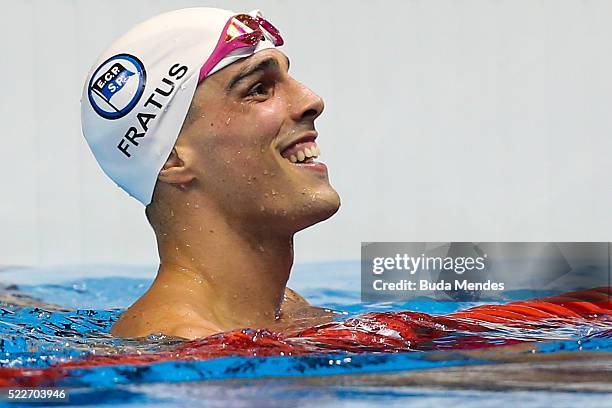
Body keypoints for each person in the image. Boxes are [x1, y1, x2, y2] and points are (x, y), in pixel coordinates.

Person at [81, 7, 340, 339]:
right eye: (258, 89)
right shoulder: (179, 349)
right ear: (172, 158)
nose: (312, 100)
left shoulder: (287, 312)